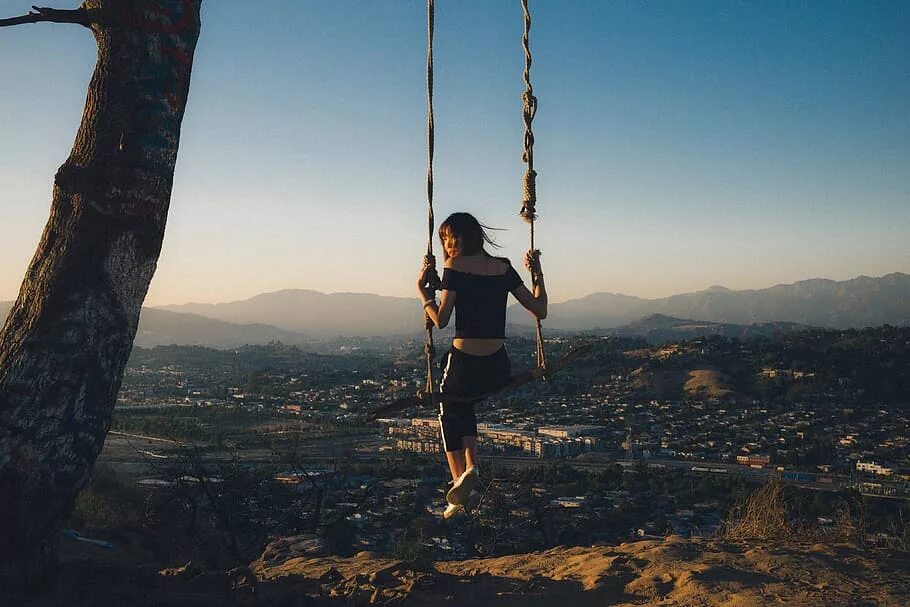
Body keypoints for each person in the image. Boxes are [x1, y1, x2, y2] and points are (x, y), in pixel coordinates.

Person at [416, 212, 547, 518]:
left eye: (449, 238)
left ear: (462, 239)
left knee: (448, 408)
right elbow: (539, 309)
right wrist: (537, 274)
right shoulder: (503, 267)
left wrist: (423, 292)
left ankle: (458, 482)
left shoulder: (455, 266)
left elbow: (441, 319)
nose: (447, 245)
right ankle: (471, 469)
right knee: (467, 404)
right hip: (497, 367)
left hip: (464, 364)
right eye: (444, 240)